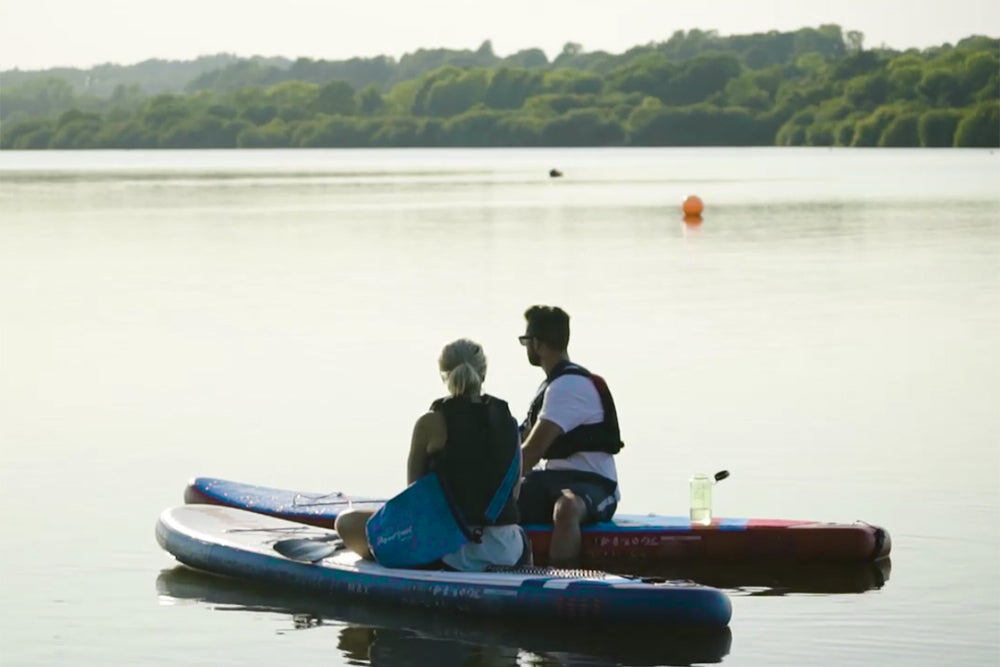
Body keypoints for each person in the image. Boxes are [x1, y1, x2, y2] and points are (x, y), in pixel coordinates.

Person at [335, 339, 530, 571]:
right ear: (483, 374)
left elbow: (415, 497)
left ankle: (385, 561)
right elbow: (514, 494)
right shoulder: (509, 423)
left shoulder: (430, 423)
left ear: (444, 375)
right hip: (508, 550)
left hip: (450, 552)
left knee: (346, 522)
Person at [517, 306, 623, 566]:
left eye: (525, 341)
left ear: (538, 344)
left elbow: (531, 452)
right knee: (495, 503)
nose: (526, 347)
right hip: (551, 480)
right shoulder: (551, 386)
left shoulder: (569, 386)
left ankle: (561, 578)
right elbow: (518, 443)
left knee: (566, 508)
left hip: (595, 483)